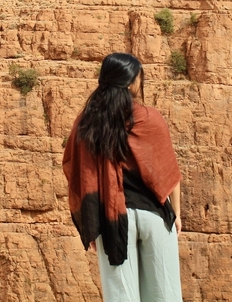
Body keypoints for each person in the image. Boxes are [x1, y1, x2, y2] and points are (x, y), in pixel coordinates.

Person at [63, 52, 183, 302]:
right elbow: (169, 172)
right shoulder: (150, 119)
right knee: (165, 296)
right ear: (130, 82)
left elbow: (82, 175)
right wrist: (178, 214)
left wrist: (93, 225)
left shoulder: (88, 124)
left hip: (112, 220)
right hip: (155, 216)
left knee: (121, 297)